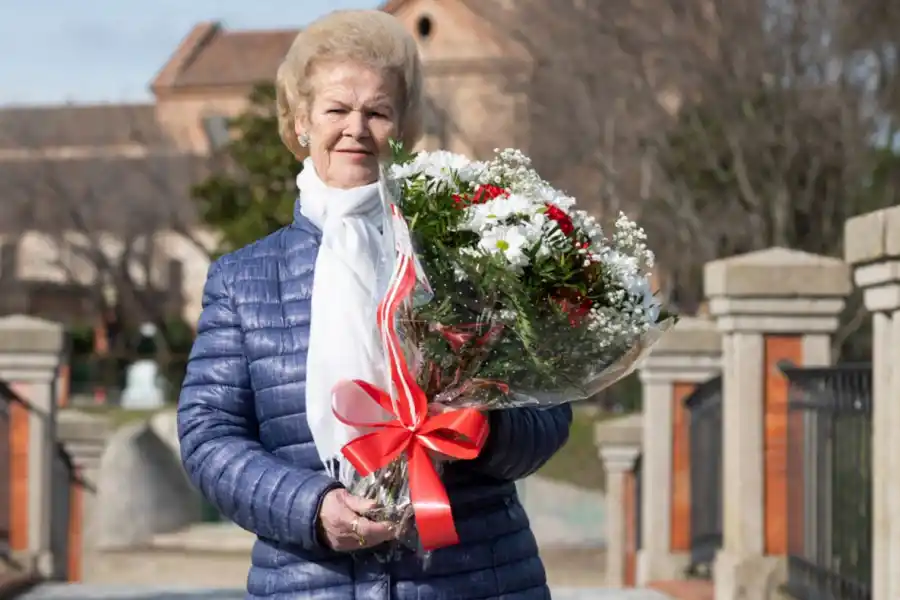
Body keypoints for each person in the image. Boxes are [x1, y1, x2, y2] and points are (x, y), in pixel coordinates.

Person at [177, 9, 573, 599]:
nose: (356, 128)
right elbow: (209, 436)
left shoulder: (464, 256)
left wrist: (479, 426)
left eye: (378, 111)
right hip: (311, 584)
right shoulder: (241, 280)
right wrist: (312, 508)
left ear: (402, 126)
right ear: (301, 122)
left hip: (473, 580)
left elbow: (552, 410)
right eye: (337, 109)